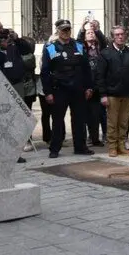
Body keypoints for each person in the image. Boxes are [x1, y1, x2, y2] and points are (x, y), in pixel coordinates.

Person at [41, 19, 94, 158]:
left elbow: (86, 68)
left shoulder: (79, 46)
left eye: (68, 30)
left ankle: (80, 147)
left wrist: (89, 87)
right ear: (57, 31)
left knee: (79, 119)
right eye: (63, 30)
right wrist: (48, 92)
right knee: (58, 120)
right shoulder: (50, 48)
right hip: (59, 89)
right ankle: (54, 149)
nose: (66, 32)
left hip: (78, 88)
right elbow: (45, 72)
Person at [96, 26, 129, 157]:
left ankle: (122, 145)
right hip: (112, 95)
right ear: (112, 37)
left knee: (124, 122)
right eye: (117, 35)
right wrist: (103, 95)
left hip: (128, 94)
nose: (120, 37)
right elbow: (100, 76)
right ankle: (112, 146)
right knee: (112, 123)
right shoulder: (105, 53)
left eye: (122, 34)